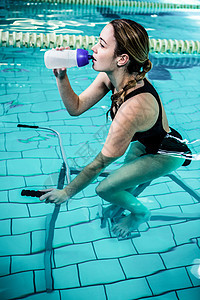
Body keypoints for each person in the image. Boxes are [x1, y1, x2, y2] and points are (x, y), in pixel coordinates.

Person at [40, 19, 191, 238]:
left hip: (166, 154)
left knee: (105, 189)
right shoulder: (113, 77)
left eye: (102, 44)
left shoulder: (133, 109)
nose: (93, 48)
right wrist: (61, 76)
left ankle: (140, 214)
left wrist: (66, 192)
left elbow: (99, 164)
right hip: (145, 142)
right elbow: (76, 107)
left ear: (122, 59)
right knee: (124, 182)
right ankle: (125, 204)